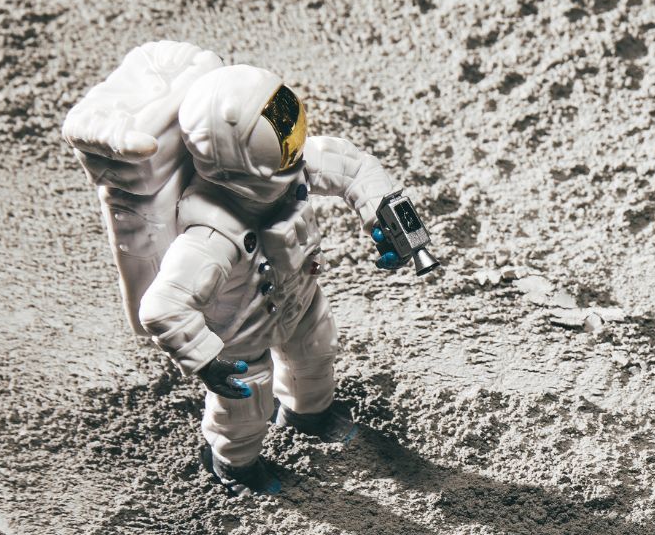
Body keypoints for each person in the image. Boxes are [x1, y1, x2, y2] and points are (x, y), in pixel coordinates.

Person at [68, 53, 432, 495]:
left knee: (315, 354)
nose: (294, 139)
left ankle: (306, 414)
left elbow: (354, 166)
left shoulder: (289, 167)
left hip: (300, 298)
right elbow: (162, 307)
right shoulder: (212, 235)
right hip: (241, 334)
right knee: (244, 405)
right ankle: (233, 463)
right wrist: (205, 358)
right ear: (240, 161)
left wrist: (387, 217)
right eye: (282, 137)